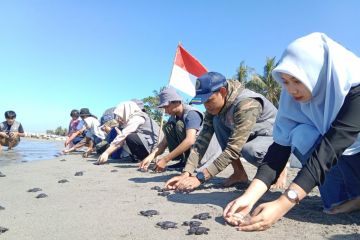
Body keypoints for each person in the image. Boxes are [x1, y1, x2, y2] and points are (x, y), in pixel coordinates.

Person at [223, 32, 360, 231]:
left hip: (347, 147)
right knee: (301, 134)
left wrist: (283, 203)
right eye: (285, 81)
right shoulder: (293, 98)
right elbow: (279, 149)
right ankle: (349, 198)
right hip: (341, 153)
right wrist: (249, 197)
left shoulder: (353, 85)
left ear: (317, 73)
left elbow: (332, 146)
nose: (291, 89)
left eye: (297, 80)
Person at [165, 71, 285, 191]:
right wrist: (186, 173)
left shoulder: (246, 103)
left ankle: (279, 167)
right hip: (249, 136)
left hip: (275, 139)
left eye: (209, 100)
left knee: (250, 150)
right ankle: (239, 173)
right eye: (203, 102)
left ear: (222, 92)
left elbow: (233, 149)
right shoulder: (214, 109)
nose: (206, 106)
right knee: (217, 121)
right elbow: (201, 141)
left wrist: (200, 178)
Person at [139, 87, 204, 172]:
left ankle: (192, 162)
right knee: (168, 126)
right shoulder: (173, 117)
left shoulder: (192, 114)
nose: (165, 111)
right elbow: (163, 143)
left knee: (179, 125)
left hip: (202, 154)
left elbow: (190, 140)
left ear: (177, 102)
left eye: (167, 107)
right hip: (191, 152)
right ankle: (184, 160)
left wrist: (166, 159)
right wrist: (150, 157)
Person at [96, 101, 161, 164]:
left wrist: (106, 153)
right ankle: (140, 157)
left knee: (129, 137)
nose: (119, 118)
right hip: (149, 143)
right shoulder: (135, 117)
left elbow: (123, 136)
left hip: (153, 147)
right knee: (122, 137)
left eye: (121, 114)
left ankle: (144, 157)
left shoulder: (137, 117)